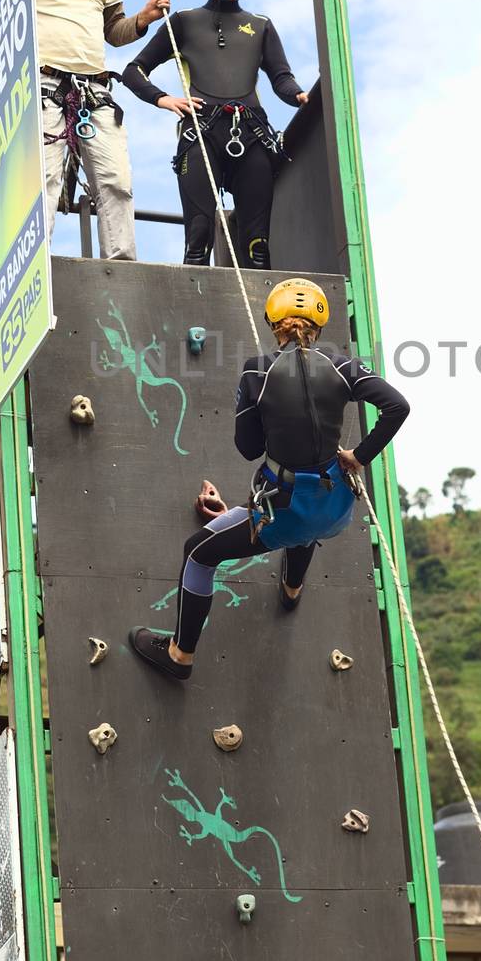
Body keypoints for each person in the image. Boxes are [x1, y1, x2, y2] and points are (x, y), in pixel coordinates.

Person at [129, 278, 409, 682]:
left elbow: (248, 448)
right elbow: (397, 406)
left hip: (283, 510)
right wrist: (358, 456)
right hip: (331, 506)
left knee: (197, 553)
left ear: (272, 323)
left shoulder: (256, 372)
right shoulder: (343, 365)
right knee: (306, 513)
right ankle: (292, 590)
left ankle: (179, 655)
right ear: (320, 324)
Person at [121, 0, 308, 270]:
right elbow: (133, 71)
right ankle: (195, 319)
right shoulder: (185, 22)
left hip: (251, 136)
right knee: (198, 239)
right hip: (201, 134)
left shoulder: (260, 26)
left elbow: (281, 77)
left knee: (257, 248)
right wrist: (164, 99)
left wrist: (299, 96)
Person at [33, 0, 169, 261]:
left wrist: (143, 19)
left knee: (116, 182)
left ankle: (122, 268)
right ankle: (35, 266)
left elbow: (114, 31)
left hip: (94, 89)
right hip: (44, 85)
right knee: (44, 179)